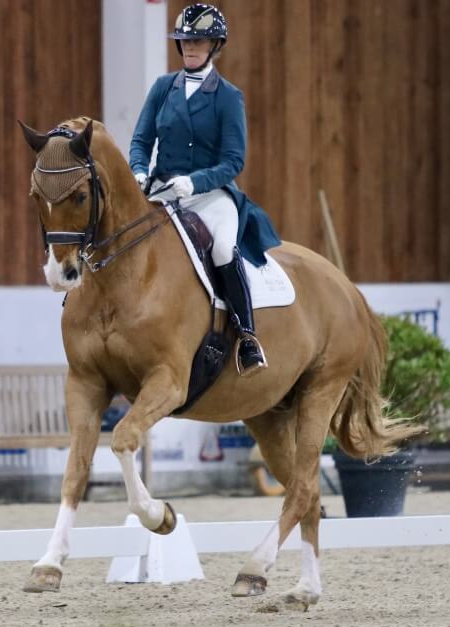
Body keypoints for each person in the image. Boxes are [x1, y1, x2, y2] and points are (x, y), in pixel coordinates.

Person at [129, 3, 281, 377]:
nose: (190, 47)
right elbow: (141, 140)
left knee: (224, 249)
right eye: (185, 41)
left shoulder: (228, 96)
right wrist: (138, 171)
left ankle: (247, 338)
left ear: (215, 45)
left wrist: (195, 181)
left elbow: (234, 160)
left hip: (211, 195)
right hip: (163, 191)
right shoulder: (163, 88)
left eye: (198, 41)